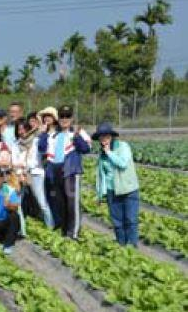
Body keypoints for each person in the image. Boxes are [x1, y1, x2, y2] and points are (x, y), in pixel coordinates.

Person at [39, 105, 91, 240]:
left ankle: (73, 233)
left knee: (72, 202)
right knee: (60, 202)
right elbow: (42, 148)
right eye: (62, 116)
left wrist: (77, 138)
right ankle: (64, 230)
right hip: (55, 171)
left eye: (67, 116)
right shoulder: (52, 134)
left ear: (72, 118)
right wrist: (43, 133)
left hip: (71, 170)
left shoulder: (78, 132)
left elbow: (86, 149)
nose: (64, 119)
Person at [93, 122, 140, 247]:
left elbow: (122, 163)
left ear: (111, 136)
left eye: (106, 136)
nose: (104, 139)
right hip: (112, 192)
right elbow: (101, 176)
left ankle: (132, 249)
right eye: (101, 136)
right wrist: (99, 195)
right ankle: (122, 246)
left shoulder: (123, 147)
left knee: (130, 220)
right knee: (117, 223)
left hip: (128, 190)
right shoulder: (102, 154)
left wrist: (109, 153)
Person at [13, 117, 54, 229]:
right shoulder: (16, 144)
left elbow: (42, 152)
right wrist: (20, 173)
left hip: (36, 173)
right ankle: (21, 228)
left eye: (24, 128)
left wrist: (44, 132)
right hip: (20, 175)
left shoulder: (36, 141)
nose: (22, 132)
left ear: (29, 129)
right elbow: (15, 161)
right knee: (18, 203)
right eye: (19, 129)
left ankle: (50, 226)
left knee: (41, 202)